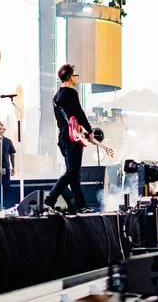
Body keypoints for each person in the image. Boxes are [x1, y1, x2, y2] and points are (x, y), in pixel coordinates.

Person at [45, 64, 112, 213]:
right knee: (72, 173)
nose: (78, 78)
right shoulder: (70, 93)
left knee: (74, 174)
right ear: (69, 77)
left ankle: (81, 206)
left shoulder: (56, 97)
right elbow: (79, 113)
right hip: (72, 138)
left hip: (63, 137)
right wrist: (89, 131)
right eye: (76, 75)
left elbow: (61, 120)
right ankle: (50, 199)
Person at [0, 121, 16, 189]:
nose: (2, 131)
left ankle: (5, 199)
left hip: (5, 168)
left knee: (6, 187)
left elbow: (12, 155)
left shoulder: (7, 141)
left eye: (3, 129)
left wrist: (13, 167)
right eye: (0, 129)